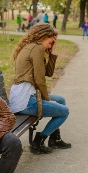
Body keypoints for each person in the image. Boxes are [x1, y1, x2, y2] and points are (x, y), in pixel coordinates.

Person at [9, 24, 72, 154]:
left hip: (25, 96)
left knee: (60, 100)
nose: (50, 46)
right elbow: (39, 80)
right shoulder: (36, 48)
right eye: (50, 42)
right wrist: (47, 100)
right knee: (64, 111)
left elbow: (47, 73)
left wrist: (53, 52)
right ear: (43, 36)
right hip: (26, 101)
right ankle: (39, 141)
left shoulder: (32, 47)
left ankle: (55, 139)